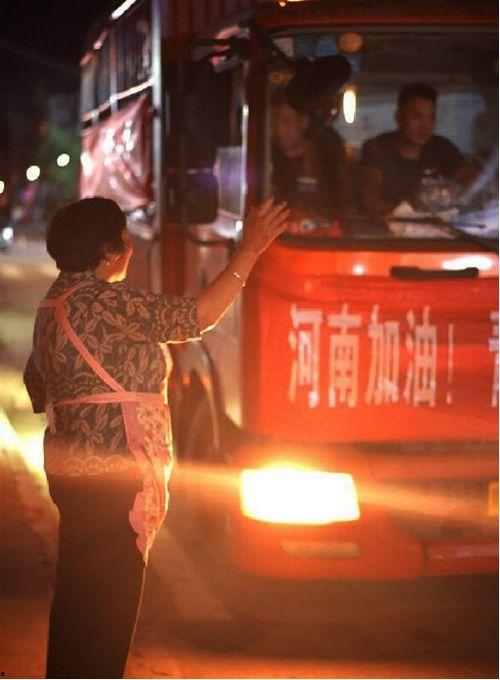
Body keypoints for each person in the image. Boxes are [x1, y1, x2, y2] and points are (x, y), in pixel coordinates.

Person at [23, 195, 289, 679]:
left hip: (70, 475)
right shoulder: (107, 302)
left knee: (78, 603)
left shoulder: (52, 306)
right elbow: (197, 317)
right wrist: (249, 251)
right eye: (125, 239)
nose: (130, 247)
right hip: (116, 478)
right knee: (108, 613)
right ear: (108, 251)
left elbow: (36, 386)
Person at [360, 82, 476, 218]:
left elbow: (469, 178)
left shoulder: (443, 148)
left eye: (430, 119)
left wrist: (452, 193)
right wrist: (413, 213)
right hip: (386, 228)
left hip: (437, 229)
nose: (424, 126)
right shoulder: (376, 148)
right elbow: (371, 202)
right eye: (417, 117)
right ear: (398, 117)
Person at [271, 87, 348, 218]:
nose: (279, 130)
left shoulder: (326, 159)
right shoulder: (265, 160)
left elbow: (340, 202)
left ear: (303, 122)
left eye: (286, 121)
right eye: (273, 122)